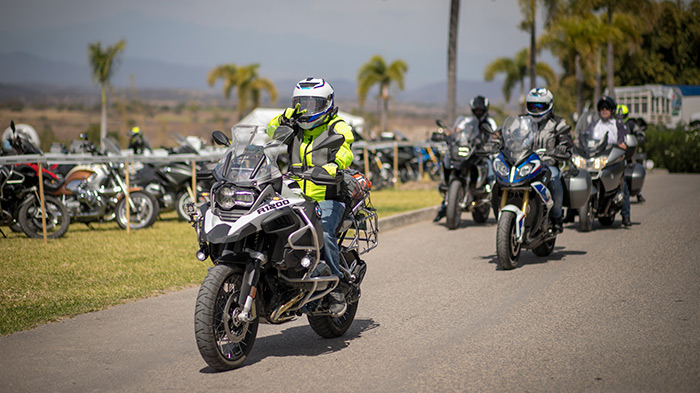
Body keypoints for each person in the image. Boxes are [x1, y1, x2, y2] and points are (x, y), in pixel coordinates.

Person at [267, 77, 354, 317]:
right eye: (301, 104)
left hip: (328, 194)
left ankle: (337, 287)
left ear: (327, 104)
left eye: (312, 105)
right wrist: (284, 118)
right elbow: (271, 132)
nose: (306, 110)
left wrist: (333, 167)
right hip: (294, 195)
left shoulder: (337, 125)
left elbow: (345, 150)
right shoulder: (294, 125)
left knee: (323, 230)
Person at [433, 95, 498, 222]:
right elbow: (456, 131)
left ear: (485, 109)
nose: (478, 112)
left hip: (484, 152)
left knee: (493, 168)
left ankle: (495, 199)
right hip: (468, 150)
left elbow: (495, 134)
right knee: (449, 160)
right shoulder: (467, 121)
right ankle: (445, 204)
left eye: (480, 109)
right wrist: (449, 135)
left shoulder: (490, 122)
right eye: (476, 109)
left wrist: (494, 137)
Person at [525, 87, 573, 233]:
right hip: (525, 163)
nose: (536, 109)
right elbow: (509, 134)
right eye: (533, 105)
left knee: (554, 179)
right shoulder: (523, 121)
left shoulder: (558, 122)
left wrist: (563, 146)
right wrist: (499, 140)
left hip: (547, 164)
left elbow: (566, 138)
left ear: (549, 105)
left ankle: (557, 216)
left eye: (540, 106)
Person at [593, 96, 631, 227]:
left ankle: (626, 215)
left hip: (613, 159)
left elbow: (623, 138)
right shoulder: (595, 125)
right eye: (602, 108)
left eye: (607, 108)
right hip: (596, 159)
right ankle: (571, 213)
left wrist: (622, 143)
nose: (604, 110)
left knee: (622, 183)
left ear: (612, 110)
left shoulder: (618, 124)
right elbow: (585, 136)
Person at [616, 104, 646, 203]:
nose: (620, 118)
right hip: (617, 149)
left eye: (622, 115)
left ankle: (639, 193)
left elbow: (638, 131)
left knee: (634, 165)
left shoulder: (631, 123)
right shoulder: (614, 123)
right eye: (618, 115)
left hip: (630, 149)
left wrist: (640, 135)